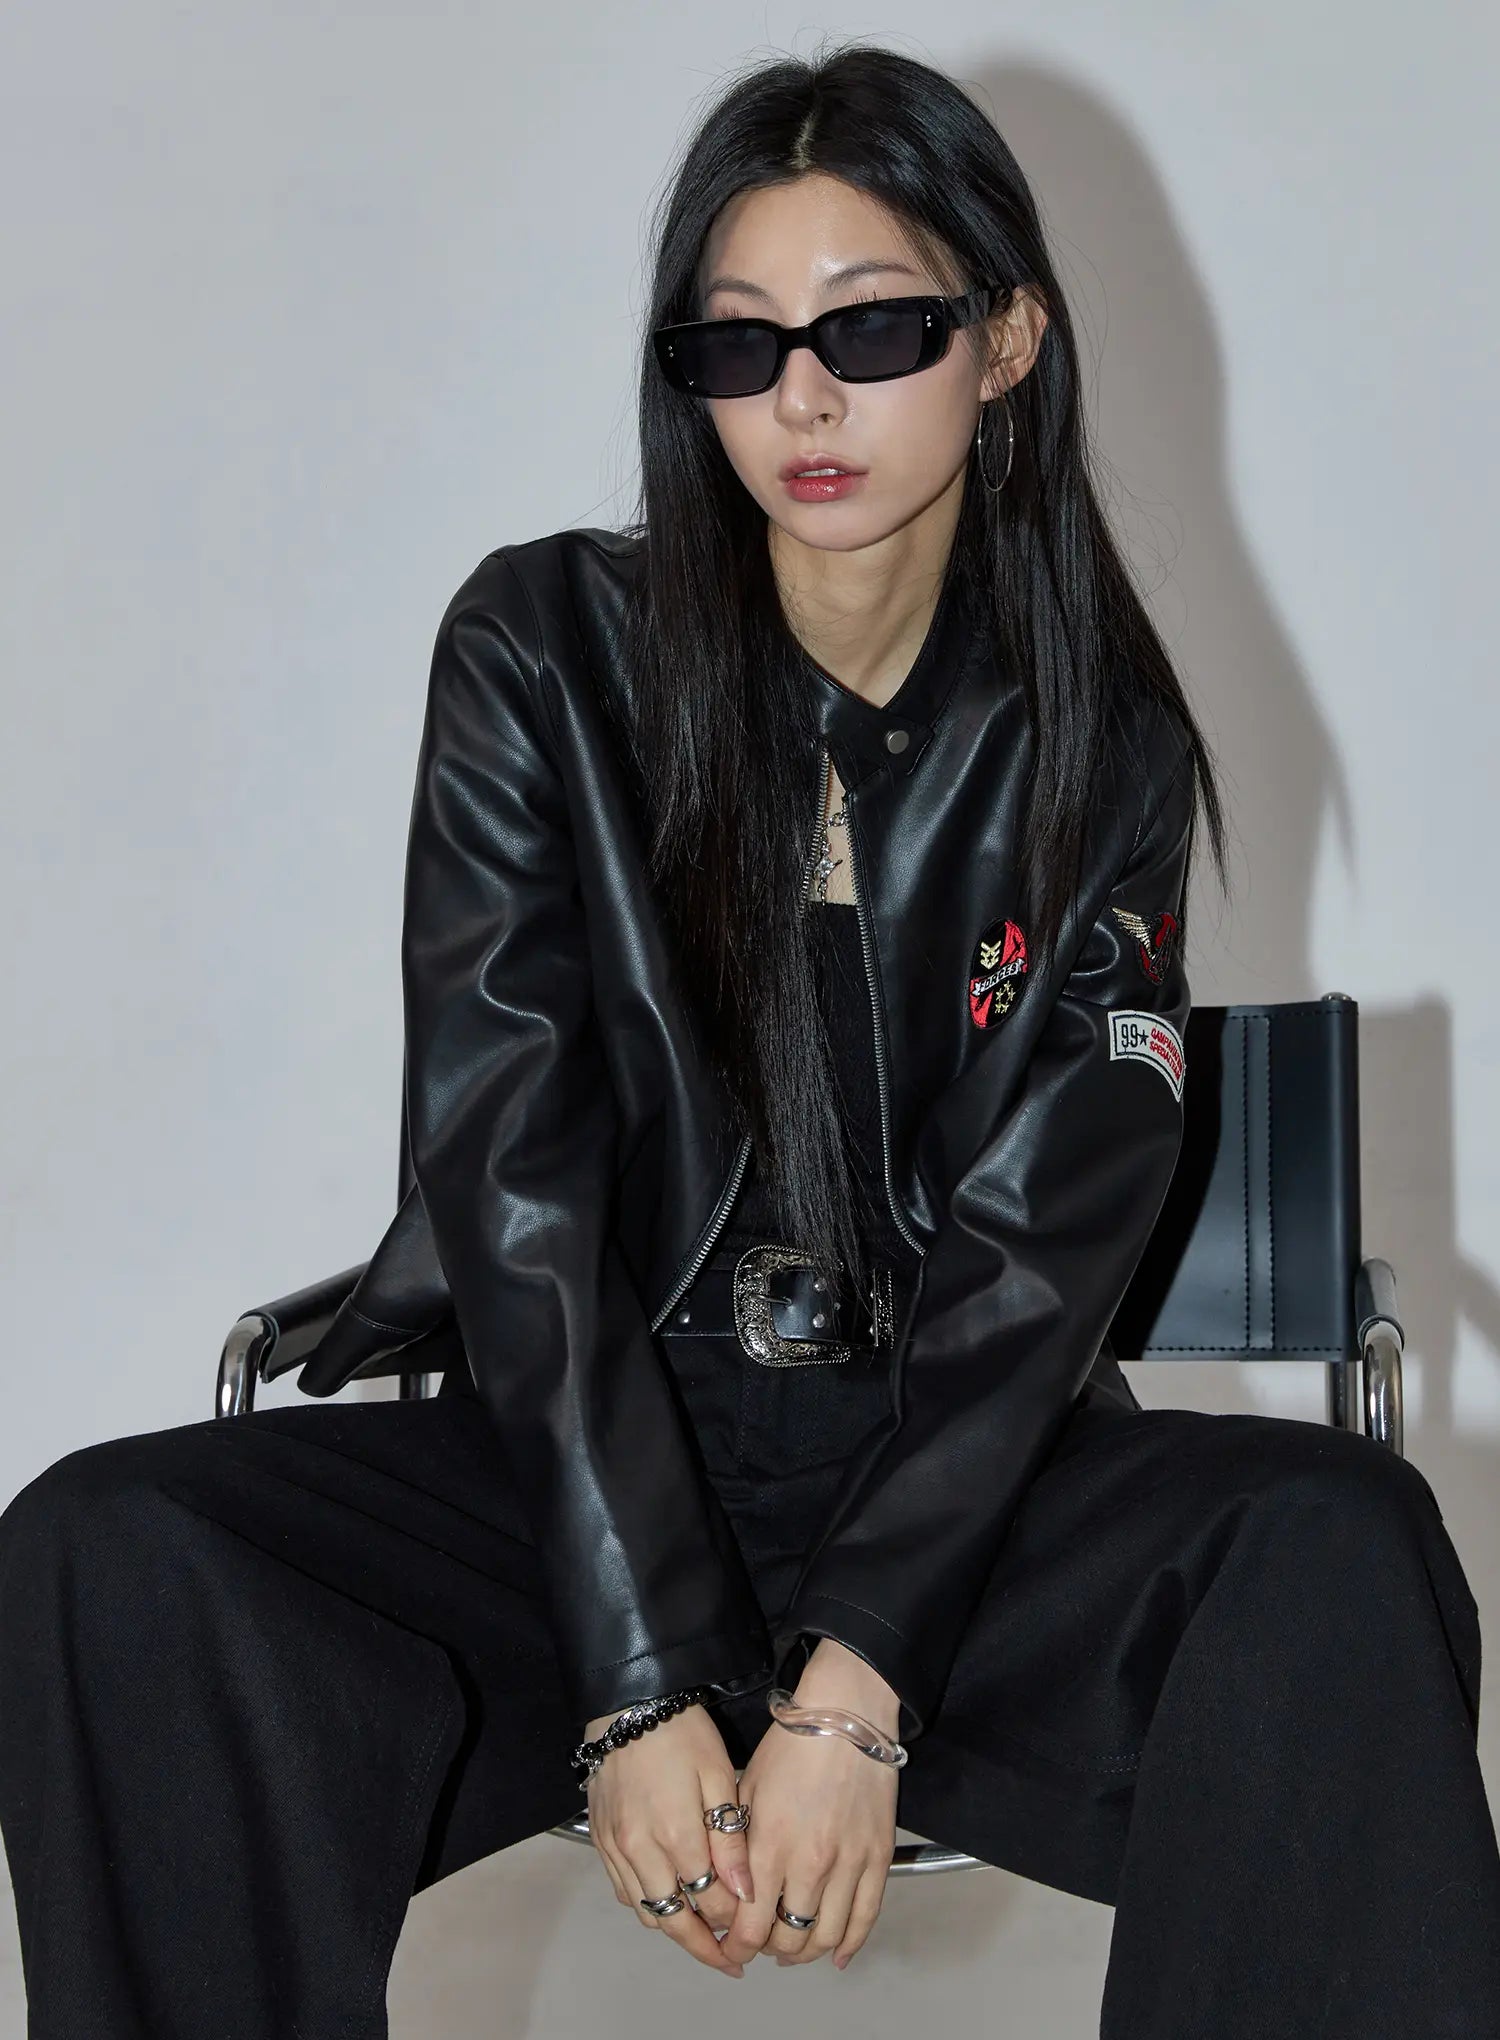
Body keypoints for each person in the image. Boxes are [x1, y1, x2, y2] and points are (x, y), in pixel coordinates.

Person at [3, 37, 1498, 2040]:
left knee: (1340, 1549)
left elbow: (1045, 1254)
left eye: (873, 328)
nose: (803, 396)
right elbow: (514, 1180)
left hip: (951, 1504)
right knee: (109, 1550)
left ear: (1007, 341)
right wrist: (638, 1683)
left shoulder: (1101, 745)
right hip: (596, 1480)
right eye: (739, 343)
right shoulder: (543, 655)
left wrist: (857, 1682)